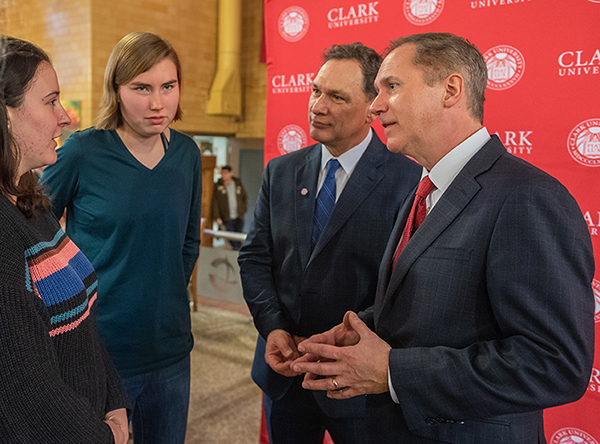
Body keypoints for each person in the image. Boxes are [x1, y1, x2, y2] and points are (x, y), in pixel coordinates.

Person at [292, 32, 595, 443]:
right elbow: (428, 310)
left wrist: (392, 371)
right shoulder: (424, 188)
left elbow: (554, 364)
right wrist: (357, 331)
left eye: (391, 87)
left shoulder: (528, 197)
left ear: (451, 89)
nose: (377, 105)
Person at [238, 42, 421, 444]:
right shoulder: (280, 171)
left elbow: (405, 287)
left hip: (358, 386)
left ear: (374, 105)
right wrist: (273, 328)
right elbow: (254, 258)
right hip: (285, 372)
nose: (318, 106)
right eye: (316, 90)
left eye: (337, 97)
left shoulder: (409, 181)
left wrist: (341, 345)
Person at [41, 32, 202, 444]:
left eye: (168, 86)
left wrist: (160, 292)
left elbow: (187, 241)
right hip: (101, 349)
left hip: (170, 349)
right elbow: (34, 230)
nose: (157, 103)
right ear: (116, 89)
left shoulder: (187, 153)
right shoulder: (82, 152)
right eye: (141, 88)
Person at [0, 35, 129, 443]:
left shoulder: (32, 202)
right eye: (50, 101)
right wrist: (101, 437)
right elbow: (22, 384)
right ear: (6, 115)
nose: (66, 117)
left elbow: (83, 325)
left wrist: (115, 400)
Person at [212, 164, 247, 250]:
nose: (223, 175)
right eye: (222, 173)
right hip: (227, 216)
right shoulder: (218, 186)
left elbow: (244, 197)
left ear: (231, 173)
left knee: (238, 235)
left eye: (226, 173)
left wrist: (243, 210)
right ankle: (237, 252)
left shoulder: (237, 183)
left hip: (238, 215)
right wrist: (217, 217)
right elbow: (215, 202)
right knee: (231, 237)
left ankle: (238, 253)